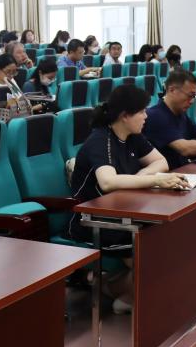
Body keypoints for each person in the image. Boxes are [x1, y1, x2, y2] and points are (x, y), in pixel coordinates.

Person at [67, 84, 183, 314]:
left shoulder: (133, 136)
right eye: (141, 111)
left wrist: (141, 177)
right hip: (93, 220)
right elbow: (108, 182)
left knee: (167, 240)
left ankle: (121, 291)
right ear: (125, 115)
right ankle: (113, 290)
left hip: (124, 212)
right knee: (151, 257)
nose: (146, 116)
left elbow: (161, 162)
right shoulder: (101, 140)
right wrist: (154, 180)